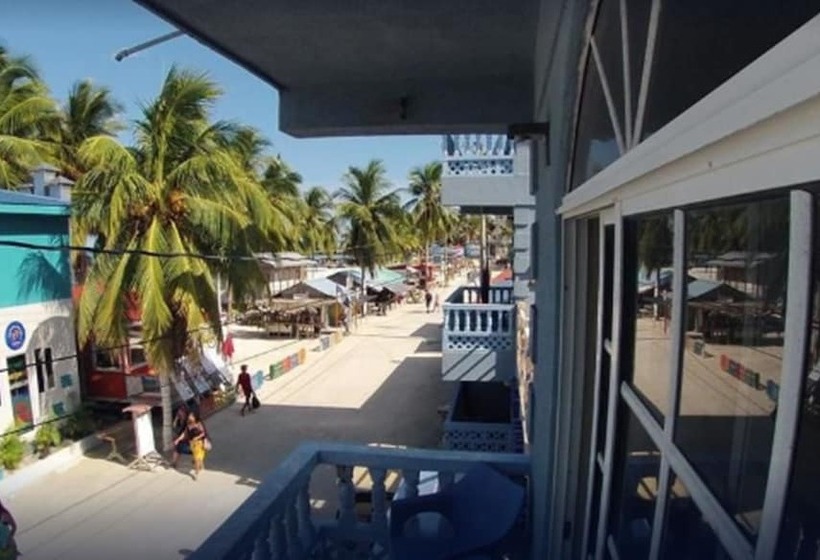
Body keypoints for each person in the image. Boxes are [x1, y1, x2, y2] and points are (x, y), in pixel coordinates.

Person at [172, 411, 207, 480]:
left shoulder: (198, 424)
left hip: (198, 444)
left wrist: (197, 438)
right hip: (191, 443)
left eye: (191, 416)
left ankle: (196, 473)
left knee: (197, 458)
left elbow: (203, 434)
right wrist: (178, 440)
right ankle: (174, 463)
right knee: (195, 457)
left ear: (194, 417)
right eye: (189, 416)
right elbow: (184, 434)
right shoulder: (188, 425)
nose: (190, 417)